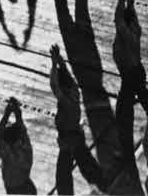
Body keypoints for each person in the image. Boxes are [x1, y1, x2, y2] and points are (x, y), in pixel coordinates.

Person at [49, 44, 106, 194]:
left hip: (67, 139)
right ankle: (102, 182)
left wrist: (54, 63)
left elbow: (54, 85)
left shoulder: (65, 101)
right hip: (75, 134)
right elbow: (65, 77)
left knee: (63, 174)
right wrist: (60, 61)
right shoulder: (74, 91)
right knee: (86, 163)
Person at [113, 0, 148, 157]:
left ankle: (124, 149)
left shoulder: (125, 33)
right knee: (144, 98)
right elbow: (129, 7)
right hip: (136, 71)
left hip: (130, 75)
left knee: (123, 112)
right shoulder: (134, 26)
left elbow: (118, 12)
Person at [0, 97, 36, 194]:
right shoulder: (26, 147)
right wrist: (18, 114)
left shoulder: (8, 154)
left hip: (13, 187)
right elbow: (22, 131)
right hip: (25, 184)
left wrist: (7, 114)